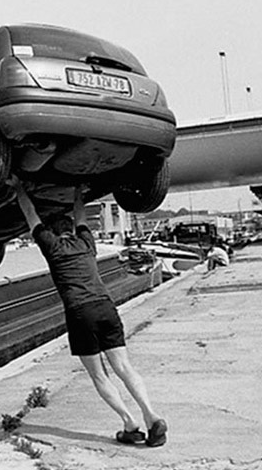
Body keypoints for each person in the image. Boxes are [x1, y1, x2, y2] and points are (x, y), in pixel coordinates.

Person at [13, 181, 167, 447]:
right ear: (70, 230)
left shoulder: (52, 247)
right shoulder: (86, 242)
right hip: (106, 307)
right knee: (124, 367)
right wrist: (77, 191)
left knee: (99, 375)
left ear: (53, 232)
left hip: (80, 312)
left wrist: (17, 188)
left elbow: (30, 214)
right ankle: (151, 416)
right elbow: (80, 214)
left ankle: (129, 423)